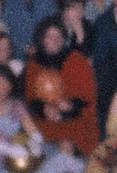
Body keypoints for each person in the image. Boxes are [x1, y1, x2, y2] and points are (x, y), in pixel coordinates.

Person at [25, 18, 99, 156]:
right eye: (50, 37)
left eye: (59, 36)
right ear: (42, 39)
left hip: (75, 122)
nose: (55, 40)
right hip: (45, 122)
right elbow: (31, 99)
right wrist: (44, 108)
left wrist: (70, 106)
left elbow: (89, 97)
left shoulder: (76, 59)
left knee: (66, 147)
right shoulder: (34, 64)